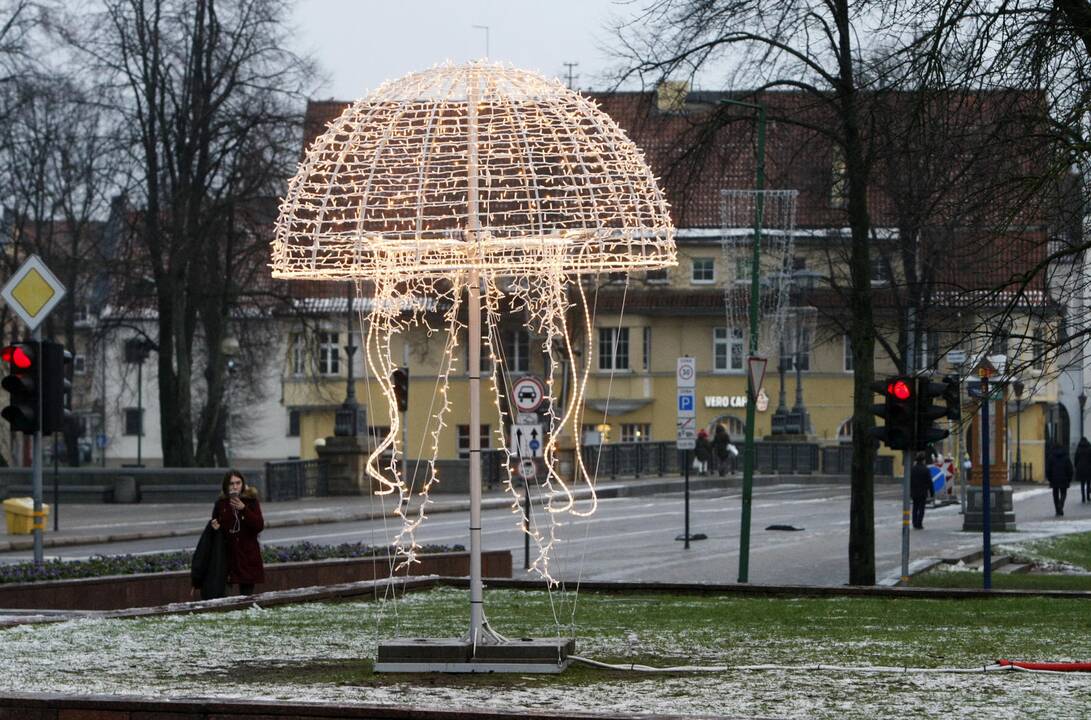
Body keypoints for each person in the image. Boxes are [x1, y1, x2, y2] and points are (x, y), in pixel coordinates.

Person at [211, 469, 265, 595]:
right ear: (226, 486)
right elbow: (215, 525)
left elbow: (259, 525)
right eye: (231, 483)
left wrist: (243, 509)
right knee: (224, 595)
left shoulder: (251, 501)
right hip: (227, 555)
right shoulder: (221, 504)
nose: (235, 486)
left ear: (243, 484)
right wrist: (215, 528)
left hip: (247, 555)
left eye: (238, 483)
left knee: (246, 595)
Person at [1046, 442, 1074, 517]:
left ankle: (1057, 510)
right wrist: (1069, 478)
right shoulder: (1066, 457)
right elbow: (1070, 469)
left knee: (1055, 494)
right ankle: (1061, 505)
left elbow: (1048, 469)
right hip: (1064, 479)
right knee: (1063, 493)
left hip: (1054, 479)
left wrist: (1049, 478)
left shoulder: (1051, 457)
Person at [910, 452, 933, 530]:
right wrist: (932, 492)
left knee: (915, 508)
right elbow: (929, 482)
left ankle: (914, 523)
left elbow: (909, 481)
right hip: (923, 492)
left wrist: (910, 491)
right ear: (923, 460)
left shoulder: (912, 469)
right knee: (921, 508)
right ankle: (919, 524)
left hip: (914, 492)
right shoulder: (926, 469)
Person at [1074, 437, 1091, 504]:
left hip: (1080, 468)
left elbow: (1076, 459)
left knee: (1082, 483)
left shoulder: (1078, 449)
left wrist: (1076, 466)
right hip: (1089, 468)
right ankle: (1088, 497)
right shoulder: (1089, 448)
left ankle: (1083, 498)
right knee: (1088, 482)